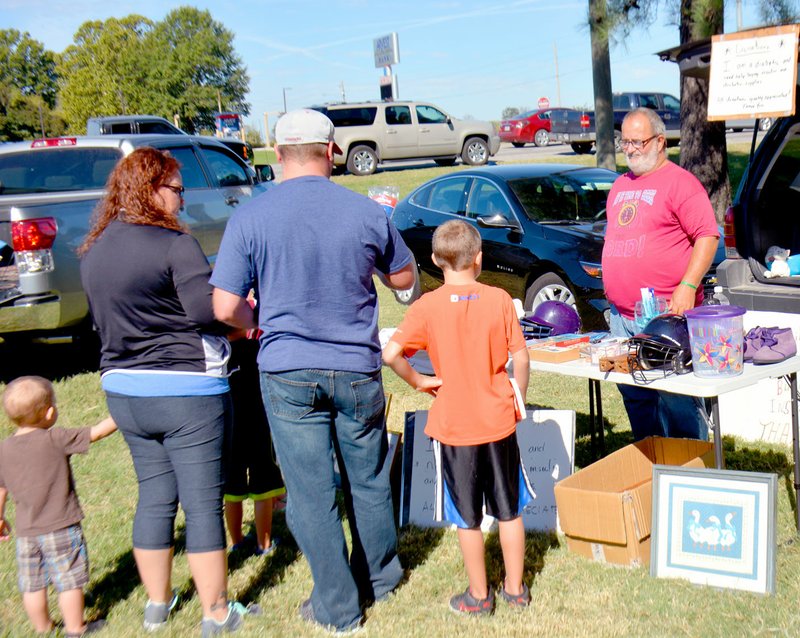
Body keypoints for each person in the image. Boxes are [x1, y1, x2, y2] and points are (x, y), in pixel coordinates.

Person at [211, 108, 414, 633]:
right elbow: (404, 276)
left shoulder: (250, 217)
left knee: (310, 492)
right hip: (354, 366)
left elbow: (224, 306)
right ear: (331, 152)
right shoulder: (366, 211)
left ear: (276, 156)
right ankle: (381, 579)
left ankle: (338, 604)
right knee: (366, 479)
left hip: (287, 368)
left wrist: (258, 319)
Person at [79, 147, 256, 636]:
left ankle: (157, 606)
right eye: (177, 190)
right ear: (151, 189)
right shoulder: (174, 244)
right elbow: (208, 313)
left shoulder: (94, 248)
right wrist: (248, 319)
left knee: (154, 497)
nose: (182, 200)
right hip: (187, 392)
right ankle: (217, 612)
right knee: (202, 504)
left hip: (124, 390)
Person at [382, 220, 533, 615]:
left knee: (467, 518)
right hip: (498, 418)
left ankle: (478, 596)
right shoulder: (500, 299)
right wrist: (519, 394)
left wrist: (420, 381)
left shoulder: (426, 306)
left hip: (454, 424)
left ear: (433, 260)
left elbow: (390, 354)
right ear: (479, 259)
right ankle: (516, 590)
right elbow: (521, 355)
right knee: (509, 509)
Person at [602, 107, 720, 441]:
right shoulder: (620, 186)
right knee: (636, 398)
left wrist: (687, 286)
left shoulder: (681, 183)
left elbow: (707, 237)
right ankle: (651, 469)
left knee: (677, 400)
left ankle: (692, 473)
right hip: (622, 317)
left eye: (638, 142)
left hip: (667, 315)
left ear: (659, 141)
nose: (631, 149)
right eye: (625, 142)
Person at [0, 376, 116, 637]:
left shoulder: (3, 449)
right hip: (61, 526)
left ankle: (43, 628)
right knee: (70, 580)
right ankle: (76, 628)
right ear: (50, 412)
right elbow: (96, 432)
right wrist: (121, 415)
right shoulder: (55, 438)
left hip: (26, 532)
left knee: (32, 584)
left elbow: (1, 488)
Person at [224, 330, 285, 557]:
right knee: (264, 486)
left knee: (232, 488)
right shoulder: (257, 349)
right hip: (259, 426)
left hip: (229, 431)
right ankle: (264, 543)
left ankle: (237, 540)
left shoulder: (216, 353)